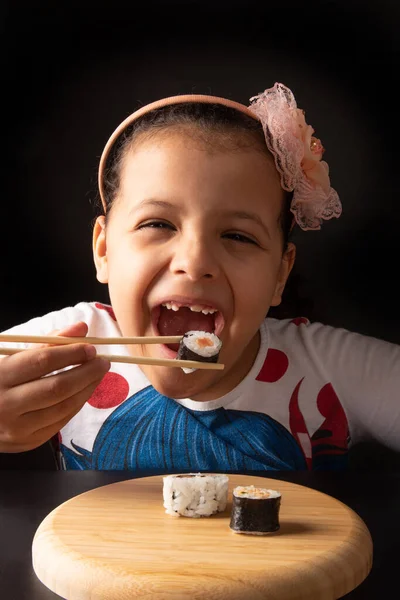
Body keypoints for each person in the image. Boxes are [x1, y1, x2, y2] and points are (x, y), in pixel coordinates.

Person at [0, 83, 399, 472]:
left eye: (237, 236)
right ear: (104, 250)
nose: (194, 263)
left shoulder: (326, 367)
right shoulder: (69, 344)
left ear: (280, 273)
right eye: (157, 223)